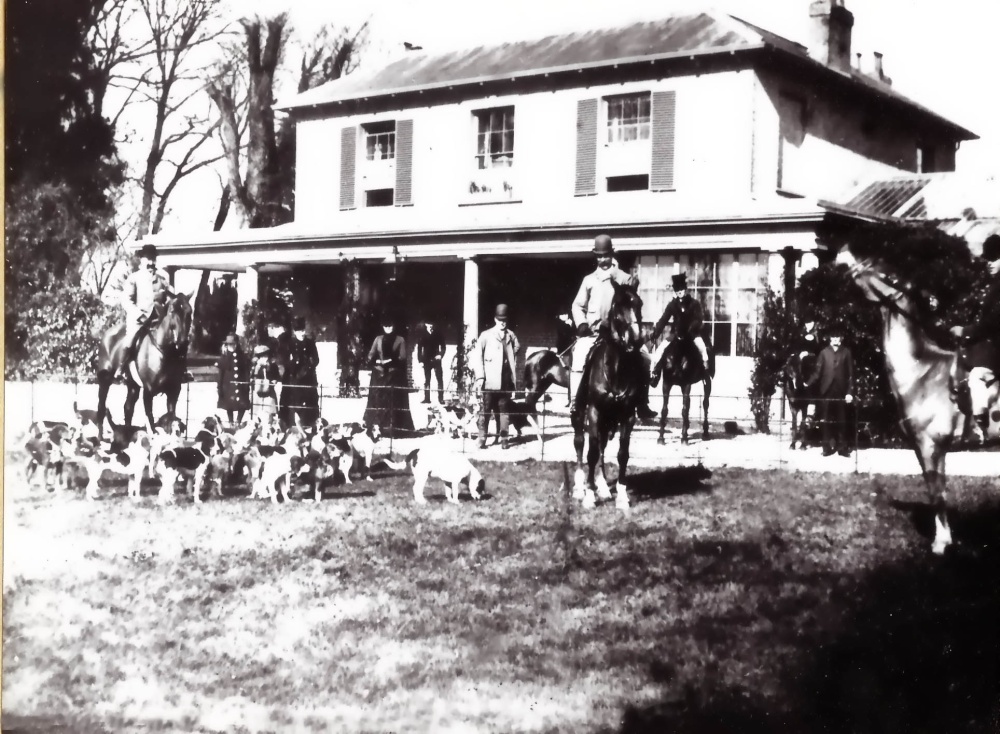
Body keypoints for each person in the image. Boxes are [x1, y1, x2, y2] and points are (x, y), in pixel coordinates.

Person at [570, 234, 657, 421]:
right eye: (599, 256)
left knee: (645, 357)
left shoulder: (623, 277)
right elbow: (577, 305)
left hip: (620, 334)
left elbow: (634, 290)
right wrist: (582, 324)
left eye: (606, 255)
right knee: (579, 355)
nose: (602, 260)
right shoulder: (589, 280)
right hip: (595, 332)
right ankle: (575, 402)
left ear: (612, 255)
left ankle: (642, 402)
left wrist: (619, 276)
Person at [951, 234, 1000, 432]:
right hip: (991, 344)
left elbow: (993, 322)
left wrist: (965, 331)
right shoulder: (991, 284)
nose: (990, 263)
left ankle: (981, 422)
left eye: (995, 259)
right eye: (988, 259)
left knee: (977, 376)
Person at [116, 243, 177, 381]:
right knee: (129, 340)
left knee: (174, 341)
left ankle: (180, 371)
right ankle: (122, 368)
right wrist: (139, 315)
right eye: (148, 259)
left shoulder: (162, 279)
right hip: (139, 320)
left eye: (153, 259)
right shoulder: (134, 278)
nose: (151, 262)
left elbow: (170, 298)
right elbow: (126, 300)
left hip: (158, 321)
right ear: (141, 260)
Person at [471, 304, 520, 449]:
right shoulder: (486, 335)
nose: (502, 323)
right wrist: (480, 377)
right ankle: (482, 438)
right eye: (500, 320)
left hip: (505, 381)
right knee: (485, 410)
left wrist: (509, 357)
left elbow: (518, 346)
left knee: (504, 410)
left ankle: (504, 438)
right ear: (495, 319)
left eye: (505, 320)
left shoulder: (510, 335)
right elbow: (477, 356)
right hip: (489, 381)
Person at [648, 272, 710, 386]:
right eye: (677, 290)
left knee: (702, 347)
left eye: (681, 289)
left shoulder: (694, 303)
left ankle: (705, 372)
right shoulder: (672, 305)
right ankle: (655, 374)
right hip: (676, 334)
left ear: (685, 289)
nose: (679, 292)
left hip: (691, 334)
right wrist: (656, 332)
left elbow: (699, 318)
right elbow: (664, 319)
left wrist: (692, 327)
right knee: (660, 350)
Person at [364, 315, 415, 436]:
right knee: (377, 400)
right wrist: (375, 361)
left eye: (390, 326)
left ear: (394, 326)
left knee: (392, 401)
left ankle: (392, 429)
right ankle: (376, 427)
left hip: (393, 374)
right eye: (385, 326)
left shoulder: (400, 340)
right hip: (379, 374)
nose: (388, 328)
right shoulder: (378, 339)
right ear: (383, 327)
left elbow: (402, 357)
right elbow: (371, 355)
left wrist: (390, 361)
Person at [805, 331, 855, 457]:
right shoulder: (824, 353)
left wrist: (849, 392)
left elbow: (851, 375)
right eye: (833, 337)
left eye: (837, 337)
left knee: (841, 420)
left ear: (841, 338)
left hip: (841, 391)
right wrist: (807, 383)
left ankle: (842, 448)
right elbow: (817, 372)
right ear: (830, 338)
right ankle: (826, 448)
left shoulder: (846, 352)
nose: (835, 339)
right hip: (826, 391)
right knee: (826, 420)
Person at [285, 317, 320, 425]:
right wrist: (295, 370)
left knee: (311, 402)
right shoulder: (290, 344)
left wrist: (308, 367)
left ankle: (312, 423)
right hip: (296, 379)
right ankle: (296, 424)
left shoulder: (310, 343)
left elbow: (316, 360)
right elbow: (286, 361)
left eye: (303, 330)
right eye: (299, 331)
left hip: (309, 378)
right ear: (295, 332)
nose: (302, 333)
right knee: (297, 403)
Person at [217, 333, 251, 425]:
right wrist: (220, 387)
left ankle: (238, 421)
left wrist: (247, 383)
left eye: (233, 344)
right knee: (229, 404)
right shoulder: (224, 357)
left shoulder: (242, 356)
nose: (231, 346)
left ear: (236, 344)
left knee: (242, 403)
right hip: (228, 385)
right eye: (229, 344)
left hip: (240, 384)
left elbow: (246, 371)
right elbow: (221, 374)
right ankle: (231, 422)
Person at [417, 320, 446, 404]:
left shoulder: (438, 333)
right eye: (428, 324)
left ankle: (441, 398)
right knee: (427, 379)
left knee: (439, 379)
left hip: (436, 360)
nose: (430, 326)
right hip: (426, 360)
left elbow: (443, 346)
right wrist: (420, 360)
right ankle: (427, 398)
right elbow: (419, 348)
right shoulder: (422, 333)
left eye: (431, 324)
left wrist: (440, 355)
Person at [251, 344, 280, 418]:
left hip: (269, 391)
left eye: (266, 356)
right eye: (262, 356)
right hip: (258, 391)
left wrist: (273, 381)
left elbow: (276, 376)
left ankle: (270, 421)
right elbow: (252, 377)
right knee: (256, 411)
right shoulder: (255, 366)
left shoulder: (273, 365)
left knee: (270, 411)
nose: (264, 358)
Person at [555, 313, 576, 406]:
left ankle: (571, 398)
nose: (564, 316)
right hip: (564, 349)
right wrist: (570, 327)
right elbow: (566, 335)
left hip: (569, 347)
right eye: (562, 315)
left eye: (565, 314)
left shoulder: (570, 323)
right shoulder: (561, 324)